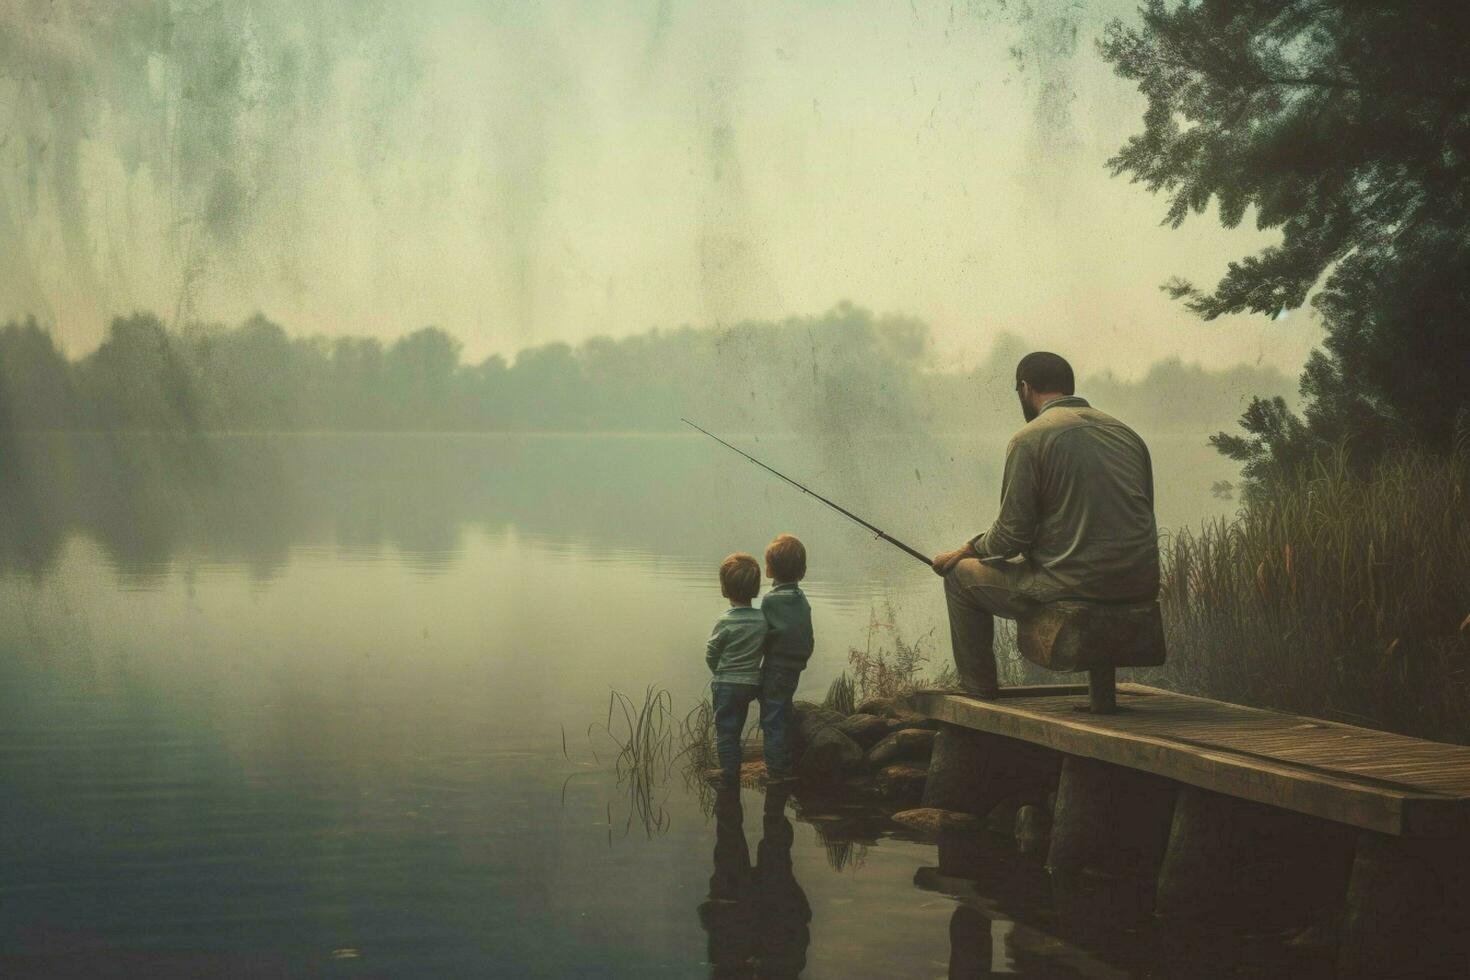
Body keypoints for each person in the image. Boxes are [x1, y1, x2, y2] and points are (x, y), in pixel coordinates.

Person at [930, 352, 1160, 697]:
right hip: (1139, 585)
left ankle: (977, 690)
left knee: (960, 577)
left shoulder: (1030, 438)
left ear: (1025, 388)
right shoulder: (1127, 434)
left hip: (1074, 587)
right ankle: (1102, 693)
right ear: (1068, 386)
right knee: (1072, 562)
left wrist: (966, 550)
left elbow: (1010, 537)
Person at [706, 553, 767, 783]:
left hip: (727, 684)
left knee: (727, 733)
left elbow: (711, 652)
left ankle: (730, 774)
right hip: (751, 683)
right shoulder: (762, 620)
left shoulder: (725, 621)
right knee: (738, 723)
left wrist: (719, 672)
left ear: (724, 589)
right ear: (756, 587)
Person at [758, 534, 813, 782]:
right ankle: (788, 758)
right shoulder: (801, 599)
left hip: (776, 666)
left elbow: (762, 635)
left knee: (772, 719)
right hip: (795, 666)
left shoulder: (770, 600)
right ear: (801, 571)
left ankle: (777, 773)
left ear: (769, 570)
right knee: (783, 708)